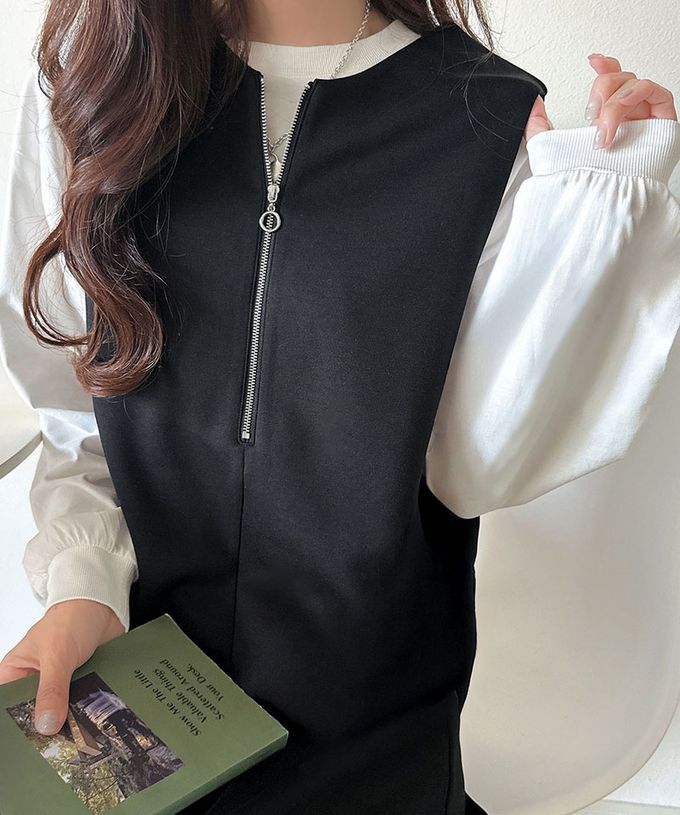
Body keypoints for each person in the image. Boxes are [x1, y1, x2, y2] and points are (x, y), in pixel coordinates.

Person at [1, 1, 679, 813]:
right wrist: (82, 584)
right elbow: (75, 411)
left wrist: (599, 210)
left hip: (378, 741)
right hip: (131, 710)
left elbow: (473, 468)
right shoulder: (95, 86)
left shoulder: (487, 119)